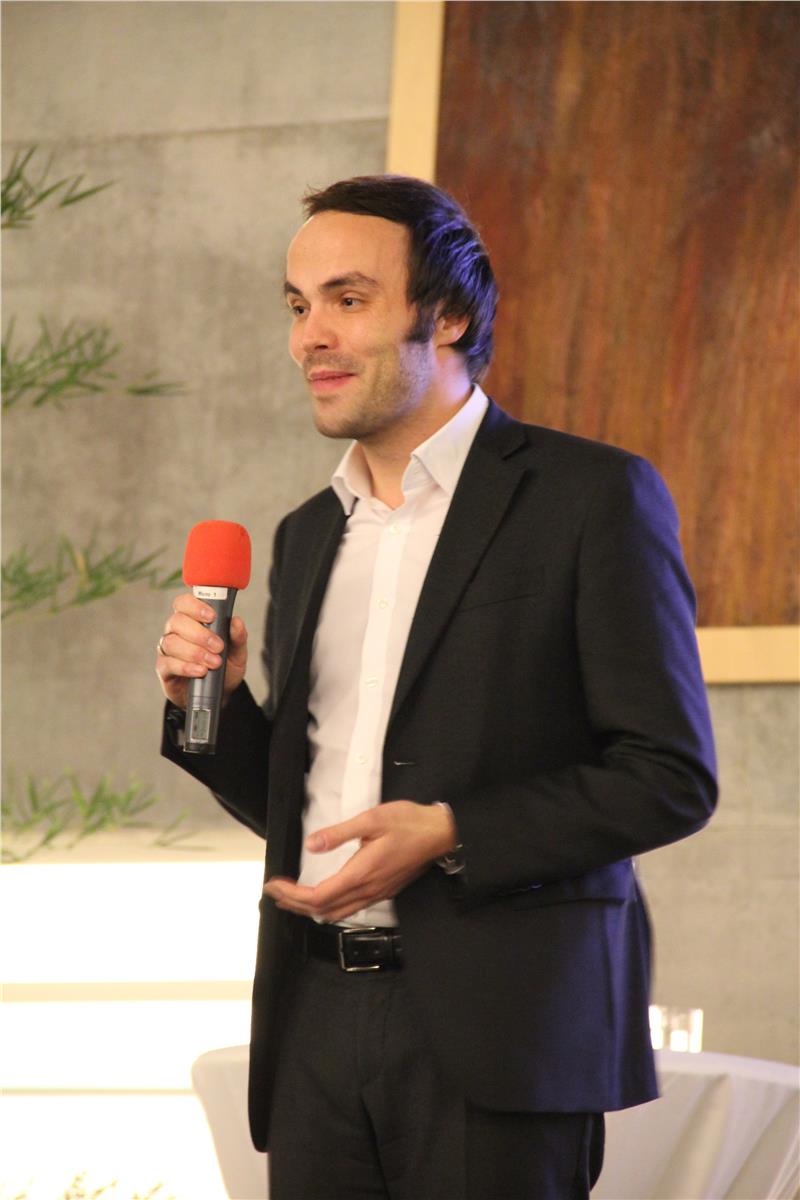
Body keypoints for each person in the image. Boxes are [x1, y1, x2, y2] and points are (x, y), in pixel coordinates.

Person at [156, 175, 717, 1200]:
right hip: (314, 1022)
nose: (310, 337)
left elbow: (668, 776)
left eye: (348, 299)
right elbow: (302, 807)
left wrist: (452, 832)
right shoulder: (305, 534)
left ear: (448, 313)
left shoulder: (589, 496)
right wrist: (220, 705)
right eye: (297, 305)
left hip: (503, 1029)